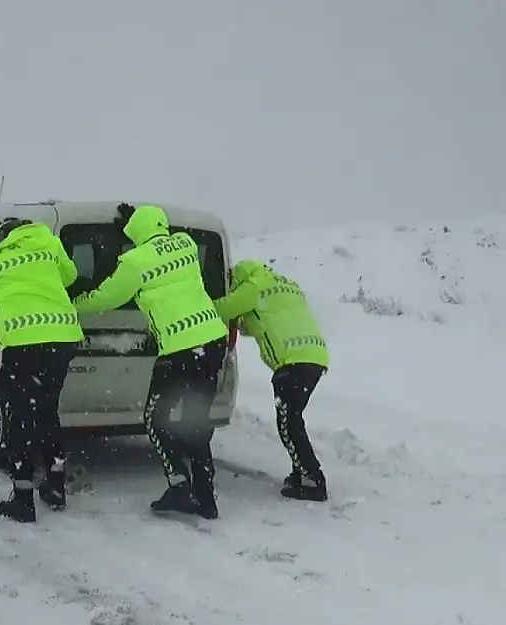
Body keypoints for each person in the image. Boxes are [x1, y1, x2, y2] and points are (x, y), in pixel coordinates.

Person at [72, 203, 229, 519]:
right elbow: (160, 250)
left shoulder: (134, 262)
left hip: (180, 350)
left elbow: (108, 297)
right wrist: (138, 223)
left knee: (155, 418)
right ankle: (205, 498)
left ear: (136, 233)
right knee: (196, 421)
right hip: (212, 343)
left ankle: (179, 485)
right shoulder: (185, 244)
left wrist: (74, 303)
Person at [0, 217, 85, 523]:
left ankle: (23, 498)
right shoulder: (48, 241)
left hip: (23, 341)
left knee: (21, 416)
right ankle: (55, 486)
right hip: (61, 339)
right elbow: (71, 276)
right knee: (48, 411)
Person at [214, 260, 330, 502]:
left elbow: (222, 310)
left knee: (289, 422)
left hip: (292, 361)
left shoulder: (252, 287)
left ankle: (313, 478)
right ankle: (301, 472)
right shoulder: (286, 284)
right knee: (293, 419)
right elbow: (262, 319)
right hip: (315, 357)